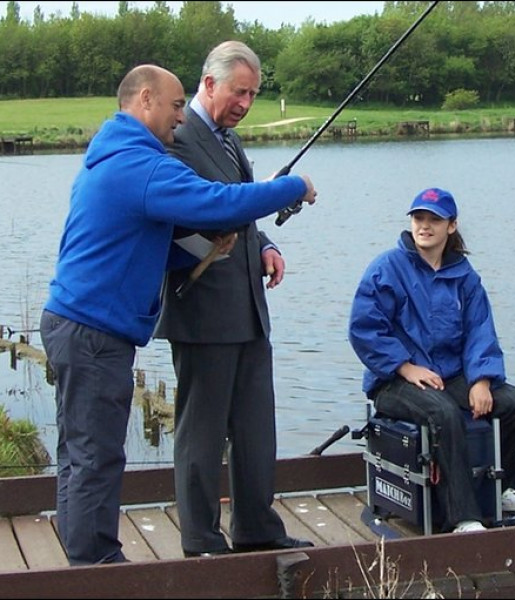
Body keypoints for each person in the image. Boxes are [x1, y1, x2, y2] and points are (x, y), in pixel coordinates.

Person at [39, 63, 317, 566]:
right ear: (145, 100)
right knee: (95, 456)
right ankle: (95, 566)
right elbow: (214, 200)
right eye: (172, 107)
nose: (179, 119)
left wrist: (198, 248)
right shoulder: (139, 164)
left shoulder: (118, 154)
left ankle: (84, 559)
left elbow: (144, 247)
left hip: (80, 323)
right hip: (91, 331)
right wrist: (291, 187)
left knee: (80, 455)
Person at [153, 41, 312, 557]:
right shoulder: (178, 140)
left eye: (254, 94)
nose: (246, 103)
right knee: (201, 435)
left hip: (248, 310)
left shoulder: (226, 140)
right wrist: (284, 190)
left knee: (254, 428)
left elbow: (242, 211)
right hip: (201, 311)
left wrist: (266, 246)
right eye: (239, 92)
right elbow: (208, 211)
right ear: (208, 84)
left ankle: (256, 527)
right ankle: (201, 540)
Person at [348, 187, 515, 534]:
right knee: (444, 414)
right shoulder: (387, 268)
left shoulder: (465, 275)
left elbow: (481, 330)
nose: (425, 226)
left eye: (434, 219)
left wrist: (480, 380)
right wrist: (405, 366)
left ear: (451, 226)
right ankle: (463, 516)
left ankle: (498, 486)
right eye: (419, 218)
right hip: (394, 381)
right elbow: (363, 329)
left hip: (451, 376)